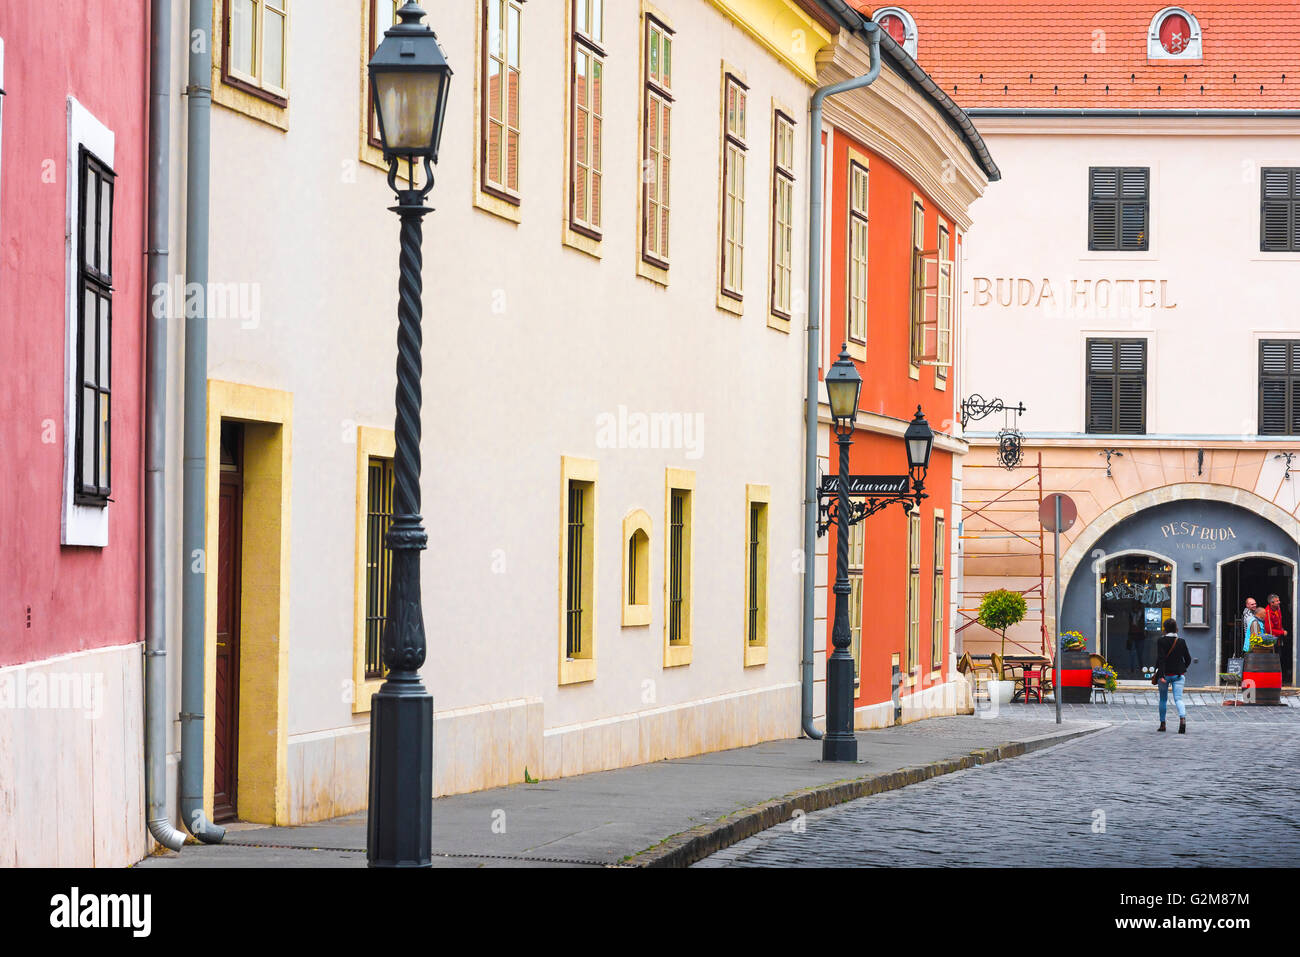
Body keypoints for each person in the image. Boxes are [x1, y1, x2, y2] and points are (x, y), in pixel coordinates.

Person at [1155, 619, 1192, 734]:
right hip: (1178, 675)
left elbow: (1161, 659)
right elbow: (1188, 659)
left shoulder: (1161, 641)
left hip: (1164, 675)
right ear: (1176, 628)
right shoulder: (1181, 641)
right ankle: (1182, 719)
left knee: (1163, 699)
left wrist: (1160, 675)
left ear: (1164, 628)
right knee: (1178, 699)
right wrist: (1182, 668)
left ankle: (1162, 724)